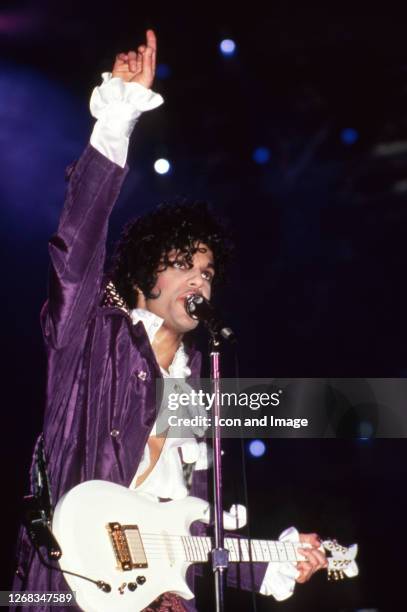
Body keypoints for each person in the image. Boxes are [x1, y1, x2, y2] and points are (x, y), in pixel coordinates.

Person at [13, 29, 327, 611]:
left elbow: (192, 540)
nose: (198, 280)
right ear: (141, 281)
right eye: (182, 264)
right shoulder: (91, 340)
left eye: (206, 271)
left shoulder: (199, 393)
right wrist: (117, 121)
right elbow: (74, 253)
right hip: (61, 589)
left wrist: (278, 561)